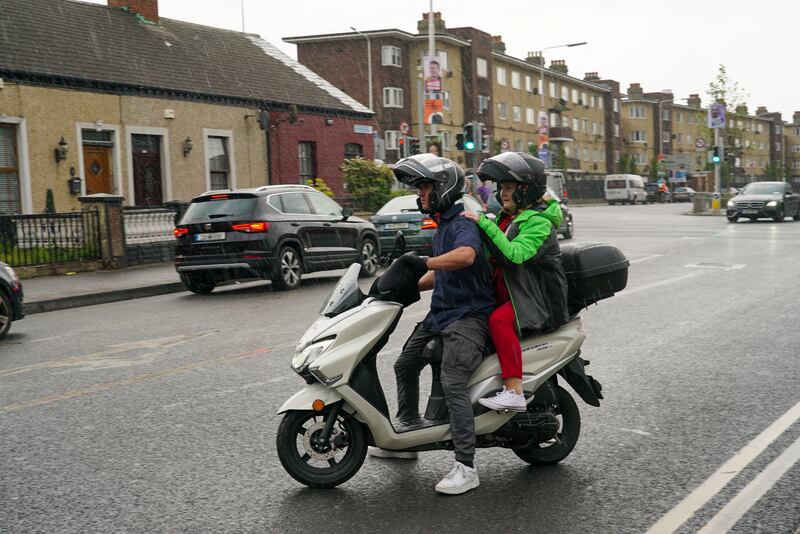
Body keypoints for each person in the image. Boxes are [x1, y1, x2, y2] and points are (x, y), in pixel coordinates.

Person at [370, 153, 494, 495]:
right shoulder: (442, 223)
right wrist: (397, 285)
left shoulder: (464, 222)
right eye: (419, 187)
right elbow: (439, 273)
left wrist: (424, 261)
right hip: (442, 312)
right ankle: (407, 438)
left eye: (425, 186)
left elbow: (465, 256)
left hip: (469, 316)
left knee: (454, 380)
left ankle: (466, 466)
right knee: (404, 364)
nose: (419, 193)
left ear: (443, 187)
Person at [461, 152, 569, 411]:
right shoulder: (507, 218)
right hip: (511, 293)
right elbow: (490, 255)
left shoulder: (539, 223)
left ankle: (514, 391)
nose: (503, 194)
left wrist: (484, 225)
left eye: (509, 188)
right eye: (501, 188)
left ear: (526, 189)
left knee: (498, 320)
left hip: (534, 299)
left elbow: (514, 255)